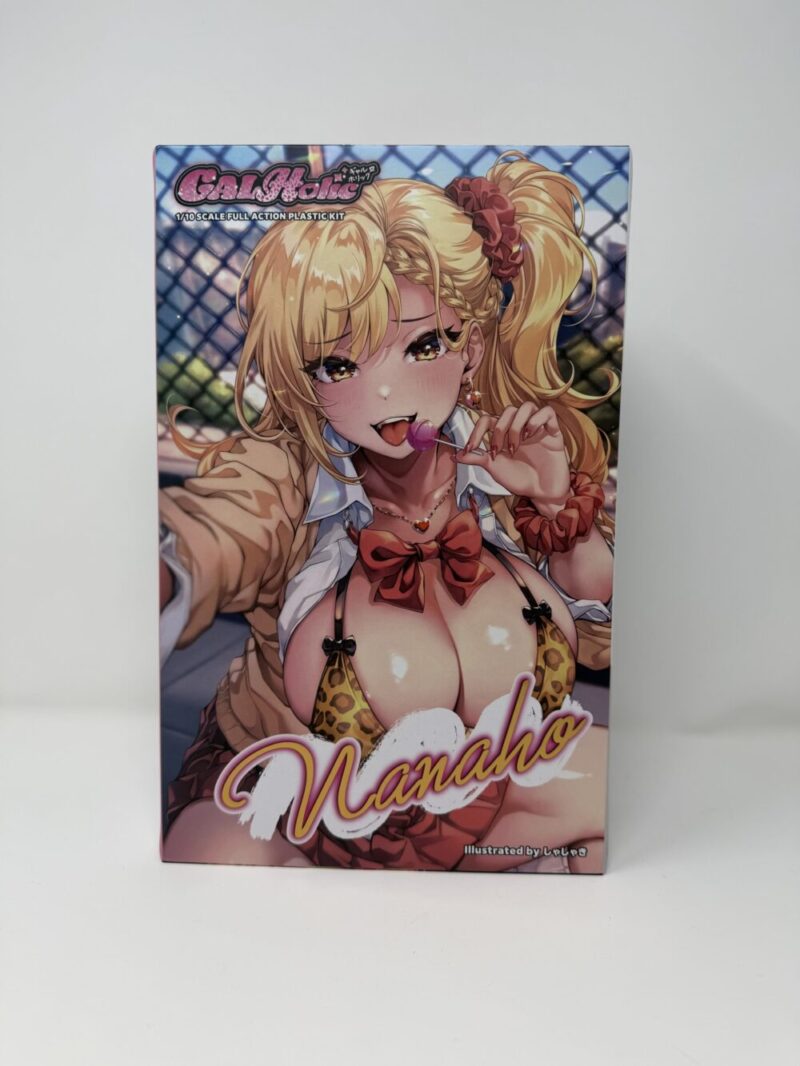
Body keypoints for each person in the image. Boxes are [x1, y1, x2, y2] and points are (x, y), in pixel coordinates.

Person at [159, 152, 616, 872]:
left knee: (624, 817)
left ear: (472, 345)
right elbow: (216, 530)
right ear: (303, 376)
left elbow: (603, 639)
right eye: (338, 365)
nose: (383, 396)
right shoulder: (286, 473)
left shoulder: (514, 456)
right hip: (301, 803)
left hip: (499, 796)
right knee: (217, 858)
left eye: (423, 344)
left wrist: (555, 507)